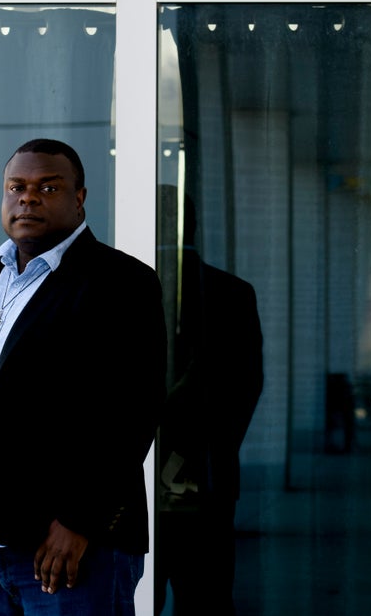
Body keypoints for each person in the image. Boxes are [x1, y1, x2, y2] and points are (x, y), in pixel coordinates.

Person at [0, 138, 166, 615]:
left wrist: (79, 520)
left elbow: (134, 411)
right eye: (17, 187)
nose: (28, 198)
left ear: (79, 199)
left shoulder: (120, 282)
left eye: (48, 187)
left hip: (74, 551)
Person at [154, 192, 263, 615]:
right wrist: (210, 452)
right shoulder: (233, 292)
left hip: (151, 485)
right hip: (204, 477)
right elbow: (246, 387)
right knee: (205, 599)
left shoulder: (119, 290)